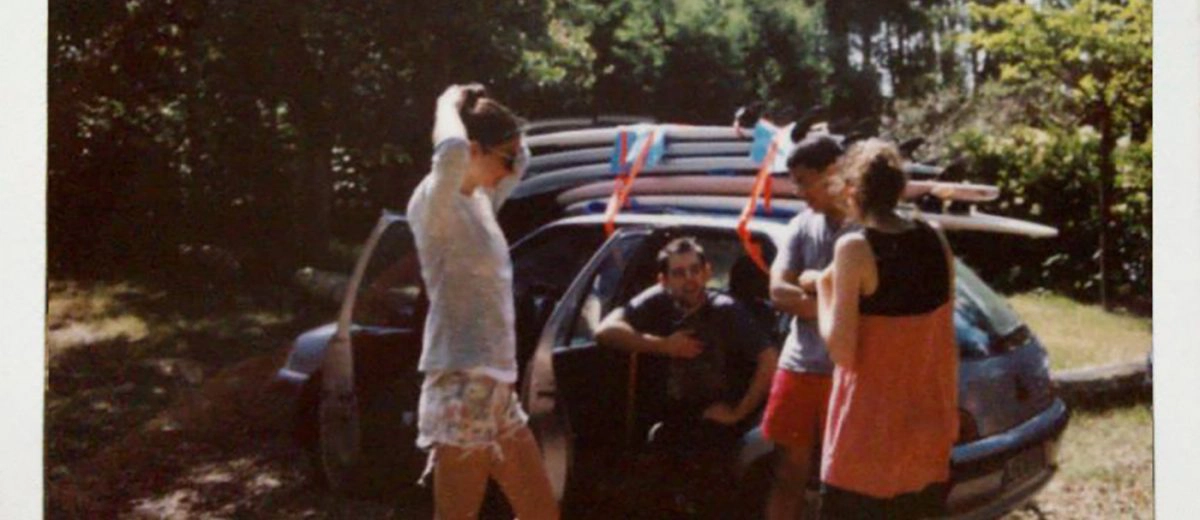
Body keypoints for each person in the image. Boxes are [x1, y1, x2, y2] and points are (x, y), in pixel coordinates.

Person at [406, 83, 559, 520]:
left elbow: (521, 158)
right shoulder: (436, 203)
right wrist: (448, 101)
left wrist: (501, 131)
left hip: (496, 390)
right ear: (474, 150)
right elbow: (451, 149)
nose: (511, 169)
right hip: (461, 384)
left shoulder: (480, 200)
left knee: (542, 514)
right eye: (503, 158)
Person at [815, 139, 958, 519]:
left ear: (851, 191)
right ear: (898, 188)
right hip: (928, 426)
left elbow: (842, 352)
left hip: (869, 436)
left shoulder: (854, 248)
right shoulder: (934, 235)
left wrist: (825, 293)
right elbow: (943, 328)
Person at [595, 237, 779, 512]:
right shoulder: (657, 301)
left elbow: (769, 359)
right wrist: (663, 346)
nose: (689, 279)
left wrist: (739, 412)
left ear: (707, 272)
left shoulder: (727, 311)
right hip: (674, 420)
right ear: (664, 280)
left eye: (695, 270)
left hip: (716, 423)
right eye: (679, 273)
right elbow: (605, 331)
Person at [759, 135, 853, 520]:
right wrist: (838, 307)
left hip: (847, 370)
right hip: (798, 366)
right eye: (794, 182)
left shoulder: (865, 227)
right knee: (788, 474)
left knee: (845, 480)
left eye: (804, 181)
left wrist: (812, 296)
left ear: (833, 172)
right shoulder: (800, 225)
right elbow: (778, 292)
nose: (798, 192)